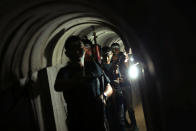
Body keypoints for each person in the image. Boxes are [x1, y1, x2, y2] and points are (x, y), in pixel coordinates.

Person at [54, 36, 113, 131]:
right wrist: (76, 79)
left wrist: (103, 96)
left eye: (79, 47)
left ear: (84, 49)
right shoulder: (65, 72)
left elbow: (109, 87)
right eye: (72, 49)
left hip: (98, 119)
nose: (77, 51)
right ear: (67, 53)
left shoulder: (94, 67)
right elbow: (57, 86)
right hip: (78, 123)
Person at [102, 46, 126, 131]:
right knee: (111, 120)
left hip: (117, 94)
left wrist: (117, 76)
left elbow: (119, 80)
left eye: (108, 54)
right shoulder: (101, 68)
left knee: (121, 119)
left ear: (111, 55)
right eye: (104, 55)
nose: (106, 57)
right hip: (108, 98)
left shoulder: (115, 66)